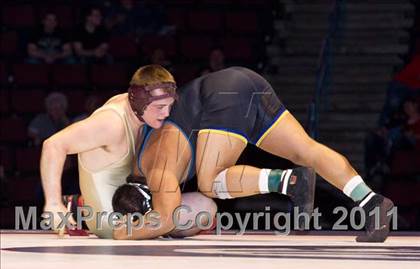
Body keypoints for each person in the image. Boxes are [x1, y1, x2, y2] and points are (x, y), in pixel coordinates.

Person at [113, 67, 394, 242]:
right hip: (244, 84)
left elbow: (165, 219)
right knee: (305, 149)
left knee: (210, 183)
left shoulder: (157, 165)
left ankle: (288, 182)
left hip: (224, 95)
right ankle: (372, 202)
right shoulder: (149, 150)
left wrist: (123, 232)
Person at [40, 65, 210, 239]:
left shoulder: (136, 107)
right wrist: (53, 204)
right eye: (160, 107)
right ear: (141, 100)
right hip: (111, 222)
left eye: (169, 106)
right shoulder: (111, 123)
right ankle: (82, 206)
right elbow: (53, 144)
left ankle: (80, 204)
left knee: (202, 205)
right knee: (204, 209)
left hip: (133, 200)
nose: (166, 113)